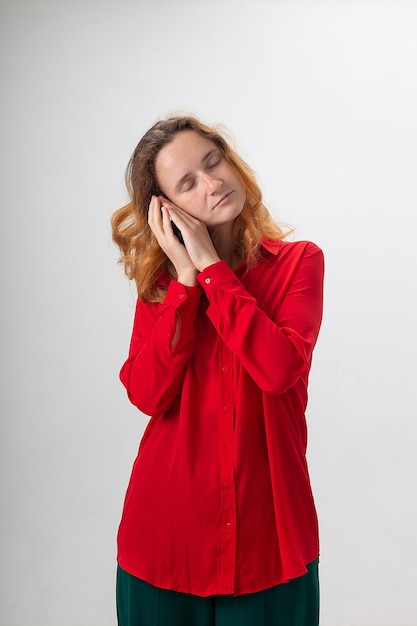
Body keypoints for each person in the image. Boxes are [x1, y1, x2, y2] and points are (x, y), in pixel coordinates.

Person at [111, 114, 324, 626]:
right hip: (164, 542)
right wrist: (186, 284)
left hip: (269, 545)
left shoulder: (299, 263)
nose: (213, 183)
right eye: (188, 182)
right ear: (165, 209)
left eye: (214, 162)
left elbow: (278, 370)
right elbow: (146, 394)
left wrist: (214, 272)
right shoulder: (162, 287)